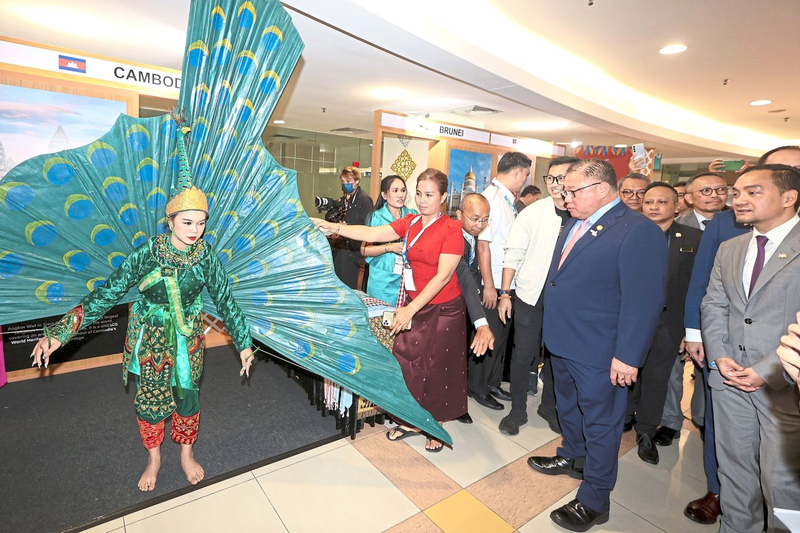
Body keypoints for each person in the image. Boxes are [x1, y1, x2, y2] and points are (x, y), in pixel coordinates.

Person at [31, 126, 253, 492]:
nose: (195, 230)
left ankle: (186, 453)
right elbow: (106, 293)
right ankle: (154, 458)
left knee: (188, 396)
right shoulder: (148, 253)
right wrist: (59, 333)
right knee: (150, 402)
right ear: (170, 221)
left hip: (189, 338)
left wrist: (243, 343)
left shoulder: (206, 256)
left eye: (201, 223)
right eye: (187, 222)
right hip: (151, 338)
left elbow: (226, 300)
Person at [527, 159, 667, 532]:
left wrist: (628, 355)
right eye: (563, 190)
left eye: (572, 190)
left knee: (602, 424)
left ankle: (594, 498)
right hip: (563, 340)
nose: (565, 197)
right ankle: (573, 456)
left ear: (601, 189)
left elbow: (644, 300)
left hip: (602, 350)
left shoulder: (638, 230)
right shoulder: (575, 222)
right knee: (569, 408)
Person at [313, 168, 482, 452]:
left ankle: (434, 424)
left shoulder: (452, 228)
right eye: (419, 193)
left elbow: (443, 276)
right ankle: (411, 419)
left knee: (437, 368)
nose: (422, 200)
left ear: (443, 197)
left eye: (430, 195)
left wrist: (410, 309)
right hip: (416, 303)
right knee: (408, 361)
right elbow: (371, 233)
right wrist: (333, 226)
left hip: (443, 308)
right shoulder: (412, 222)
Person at [701, 164, 800, 533]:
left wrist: (766, 368)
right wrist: (720, 355)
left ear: (789, 198)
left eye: (753, 192)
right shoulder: (731, 247)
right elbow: (715, 303)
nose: (738, 200)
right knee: (735, 472)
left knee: (783, 481)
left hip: (785, 385)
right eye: (737, 192)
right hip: (729, 379)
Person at [497, 156, 579, 436]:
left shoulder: (584, 214)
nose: (555, 184)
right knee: (523, 353)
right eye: (551, 178)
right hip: (531, 294)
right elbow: (513, 253)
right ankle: (518, 409)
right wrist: (505, 293)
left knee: (559, 356)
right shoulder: (533, 213)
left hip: (568, 300)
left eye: (562, 178)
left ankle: (549, 406)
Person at [624, 183, 701, 465]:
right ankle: (624, 417)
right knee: (625, 372)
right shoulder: (629, 233)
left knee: (657, 379)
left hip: (669, 321)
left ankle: (646, 430)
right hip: (631, 318)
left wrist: (690, 329)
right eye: (649, 202)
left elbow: (698, 287)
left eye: (662, 201)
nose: (654, 206)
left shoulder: (694, 238)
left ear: (677, 205)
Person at [657, 171, 730, 441]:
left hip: (723, 311)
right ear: (688, 198)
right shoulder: (675, 227)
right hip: (680, 310)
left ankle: (704, 420)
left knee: (712, 369)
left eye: (720, 189)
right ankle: (670, 421)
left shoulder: (741, 224)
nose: (714, 195)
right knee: (673, 370)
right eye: (705, 191)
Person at [471, 152, 531, 410]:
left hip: (506, 284)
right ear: (517, 172)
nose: (525, 180)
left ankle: (493, 383)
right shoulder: (492, 199)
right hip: (493, 282)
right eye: (526, 175)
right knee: (488, 336)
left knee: (501, 337)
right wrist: (489, 285)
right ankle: (478, 387)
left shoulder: (507, 199)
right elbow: (483, 246)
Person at [455, 193, 497, 423]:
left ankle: (459, 398)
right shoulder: (453, 237)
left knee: (463, 352)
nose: (480, 224)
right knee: (453, 356)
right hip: (452, 304)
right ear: (459, 214)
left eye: (485, 220)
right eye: (475, 219)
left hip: (467, 302)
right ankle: (454, 404)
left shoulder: (473, 237)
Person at [361, 175, 417, 304]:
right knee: (381, 314)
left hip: (407, 277)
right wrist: (390, 247)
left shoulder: (413, 215)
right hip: (382, 279)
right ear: (384, 195)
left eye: (403, 190)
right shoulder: (376, 217)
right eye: (395, 190)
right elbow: (364, 250)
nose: (400, 195)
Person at [331, 166, 374, 290]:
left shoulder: (364, 200)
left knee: (350, 286)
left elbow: (367, 227)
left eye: (348, 181)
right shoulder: (344, 199)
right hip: (341, 248)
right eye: (343, 182)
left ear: (357, 181)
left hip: (355, 252)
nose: (346, 184)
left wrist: (347, 227)